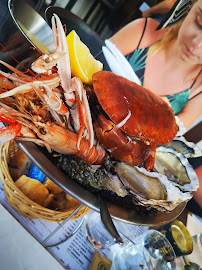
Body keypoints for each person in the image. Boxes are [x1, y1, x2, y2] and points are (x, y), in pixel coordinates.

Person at [110, 0, 202, 130]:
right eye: (199, 22)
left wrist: (164, 121)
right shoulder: (143, 31)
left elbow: (172, 138)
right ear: (188, 6)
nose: (197, 44)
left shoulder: (199, 91)